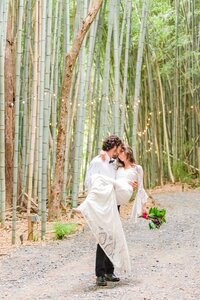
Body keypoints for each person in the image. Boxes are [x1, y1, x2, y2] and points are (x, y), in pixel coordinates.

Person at [77, 138, 148, 286]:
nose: (120, 151)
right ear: (114, 147)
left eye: (122, 150)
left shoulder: (114, 164)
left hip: (114, 203)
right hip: (102, 202)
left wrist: (131, 186)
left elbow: (125, 179)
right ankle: (100, 274)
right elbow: (89, 181)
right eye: (119, 148)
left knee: (113, 235)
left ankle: (110, 271)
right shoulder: (99, 161)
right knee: (103, 236)